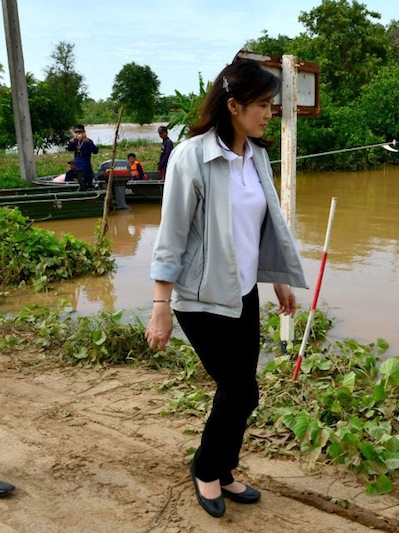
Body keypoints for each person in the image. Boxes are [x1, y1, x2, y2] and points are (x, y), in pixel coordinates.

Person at [145, 59, 306, 519]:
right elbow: (170, 237)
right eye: (261, 104)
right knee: (240, 391)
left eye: (271, 104)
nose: (269, 113)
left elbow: (263, 225)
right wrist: (161, 308)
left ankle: (224, 465)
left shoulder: (255, 155)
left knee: (240, 390)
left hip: (242, 294)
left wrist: (278, 279)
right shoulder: (190, 156)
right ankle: (206, 468)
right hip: (199, 298)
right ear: (233, 106)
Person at [66, 124, 99, 191]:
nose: (78, 134)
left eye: (80, 132)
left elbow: (95, 151)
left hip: (87, 166)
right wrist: (73, 141)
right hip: (79, 167)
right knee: (82, 185)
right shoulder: (75, 142)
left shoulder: (88, 141)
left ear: (84, 132)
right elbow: (69, 148)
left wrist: (88, 142)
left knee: (90, 185)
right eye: (76, 132)